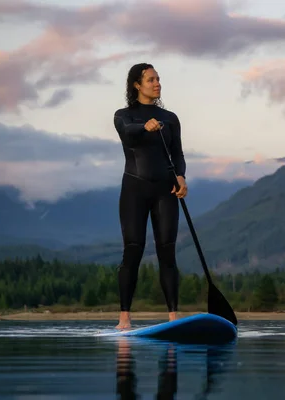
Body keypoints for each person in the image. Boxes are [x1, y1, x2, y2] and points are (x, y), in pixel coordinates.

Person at [112, 63, 188, 329]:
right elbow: (128, 133)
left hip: (165, 191)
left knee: (167, 251)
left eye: (158, 79)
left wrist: (181, 176)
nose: (157, 83)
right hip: (135, 190)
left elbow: (177, 154)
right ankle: (124, 317)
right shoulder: (123, 115)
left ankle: (173, 317)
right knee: (133, 250)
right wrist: (145, 126)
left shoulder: (170, 118)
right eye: (151, 79)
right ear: (137, 84)